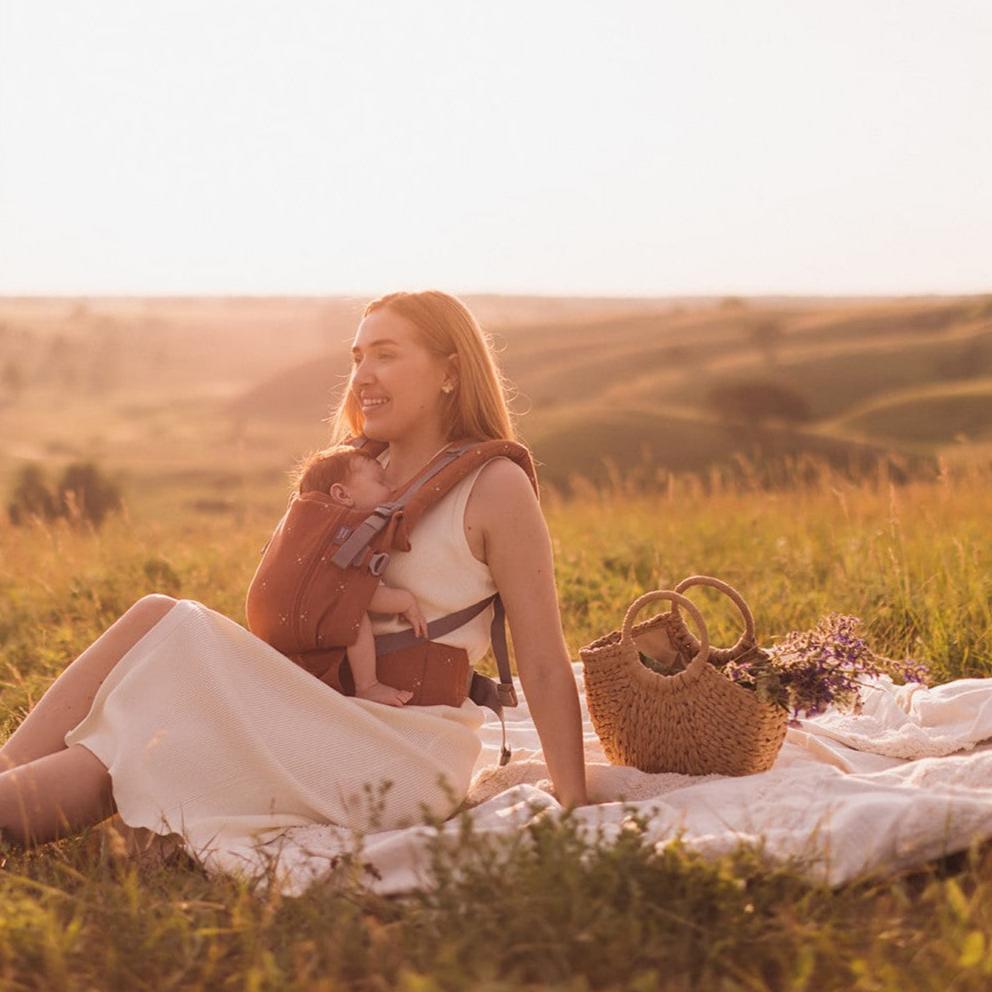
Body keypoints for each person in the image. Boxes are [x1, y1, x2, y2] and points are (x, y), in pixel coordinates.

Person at [0, 289, 588, 857]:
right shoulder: (358, 469)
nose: (362, 375)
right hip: (321, 706)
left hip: (404, 751)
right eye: (358, 357)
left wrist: (575, 804)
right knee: (159, 621)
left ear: (449, 372)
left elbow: (541, 658)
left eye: (386, 354)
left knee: (169, 693)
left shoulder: (494, 486)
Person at [291, 444, 426, 707]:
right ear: (342, 494)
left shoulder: (306, 528)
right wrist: (405, 601)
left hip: (280, 621)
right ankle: (368, 686)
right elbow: (362, 594)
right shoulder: (343, 533)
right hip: (310, 612)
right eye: (380, 481)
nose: (391, 488)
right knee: (355, 617)